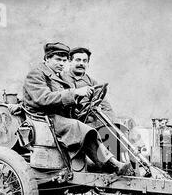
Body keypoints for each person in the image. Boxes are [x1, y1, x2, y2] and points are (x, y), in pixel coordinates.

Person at [22, 42, 131, 175]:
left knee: (108, 128)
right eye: (57, 59)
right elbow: (43, 98)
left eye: (63, 60)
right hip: (44, 118)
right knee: (81, 128)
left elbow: (66, 100)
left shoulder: (57, 75)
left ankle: (122, 163)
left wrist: (80, 105)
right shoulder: (36, 74)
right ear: (47, 58)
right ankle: (110, 164)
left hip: (58, 116)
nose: (61, 64)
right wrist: (74, 93)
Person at [62, 47, 115, 121]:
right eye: (78, 60)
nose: (81, 63)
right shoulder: (61, 78)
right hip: (71, 120)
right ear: (70, 61)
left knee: (126, 122)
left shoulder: (92, 82)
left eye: (85, 61)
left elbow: (106, 107)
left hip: (91, 119)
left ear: (87, 64)